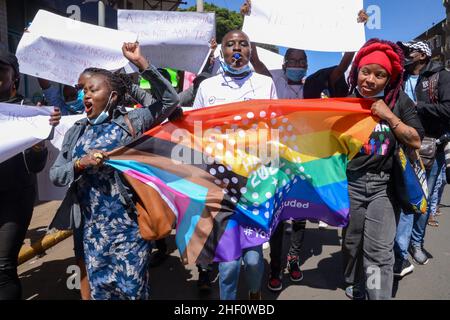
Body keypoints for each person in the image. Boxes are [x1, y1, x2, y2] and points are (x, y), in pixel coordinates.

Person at [240, 0, 369, 292]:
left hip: (306, 158)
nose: (297, 65)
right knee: (277, 211)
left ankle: (293, 260)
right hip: (274, 157)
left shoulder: (315, 85)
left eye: (302, 62)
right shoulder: (271, 79)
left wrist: (354, 32)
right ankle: (275, 267)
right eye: (293, 61)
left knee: (298, 213)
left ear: (307, 66)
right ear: (284, 64)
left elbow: (342, 68)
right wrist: (251, 24)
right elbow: (256, 60)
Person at [49, 42, 179, 299]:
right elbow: (56, 174)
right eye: (83, 91)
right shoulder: (76, 131)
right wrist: (78, 164)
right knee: (101, 293)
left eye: (92, 89)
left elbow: (170, 100)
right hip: (92, 231)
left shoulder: (132, 122)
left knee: (132, 291)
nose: (85, 95)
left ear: (112, 97)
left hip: (129, 228)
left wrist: (141, 63)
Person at [192, 29, 277, 300]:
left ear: (250, 51)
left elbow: (275, 129)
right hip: (220, 184)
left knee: (252, 261)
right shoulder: (208, 87)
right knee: (228, 264)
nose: (236, 49)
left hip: (256, 182)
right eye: (230, 44)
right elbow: (195, 130)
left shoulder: (265, 84)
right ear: (222, 52)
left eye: (243, 44)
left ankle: (254, 292)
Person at [342, 39, 423, 300]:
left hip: (383, 187)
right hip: (350, 185)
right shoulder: (344, 103)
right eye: (366, 72)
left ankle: (376, 294)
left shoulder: (399, 101)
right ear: (357, 72)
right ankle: (356, 281)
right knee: (353, 244)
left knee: (377, 252)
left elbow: (415, 140)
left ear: (390, 79)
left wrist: (389, 115)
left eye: (380, 75)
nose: (370, 80)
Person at [0, 49, 61, 300]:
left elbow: (36, 166)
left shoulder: (28, 111)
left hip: (13, 200)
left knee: (3, 267)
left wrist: (38, 142)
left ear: (14, 78)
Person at [393, 40, 450, 274]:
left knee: (422, 200)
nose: (407, 55)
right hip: (399, 146)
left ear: (423, 56)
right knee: (403, 198)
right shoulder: (401, 77)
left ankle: (416, 244)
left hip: (429, 146)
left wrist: (419, 107)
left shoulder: (441, 76)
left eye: (411, 51)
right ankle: (399, 250)